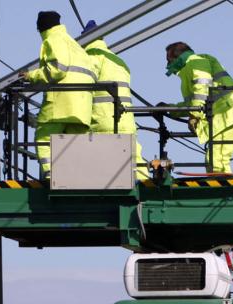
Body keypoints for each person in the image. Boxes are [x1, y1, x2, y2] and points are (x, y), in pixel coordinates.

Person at [21, 11, 96, 178]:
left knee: (44, 137)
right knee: (74, 143)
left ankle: (50, 175)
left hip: (61, 101)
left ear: (42, 27)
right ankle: (77, 178)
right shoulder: (74, 44)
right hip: (81, 107)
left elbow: (58, 69)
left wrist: (31, 76)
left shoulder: (52, 39)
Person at [163, 42, 233, 174]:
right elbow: (194, 103)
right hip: (227, 114)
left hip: (229, 113)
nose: (168, 64)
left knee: (217, 160)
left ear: (178, 57)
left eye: (169, 60)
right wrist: (170, 109)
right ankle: (222, 187)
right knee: (214, 160)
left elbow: (201, 92)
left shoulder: (196, 63)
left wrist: (195, 116)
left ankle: (224, 190)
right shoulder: (192, 66)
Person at [81, 20, 149, 179]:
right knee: (133, 159)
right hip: (125, 119)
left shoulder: (92, 56)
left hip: (103, 120)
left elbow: (84, 85)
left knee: (99, 167)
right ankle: (147, 187)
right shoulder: (118, 60)